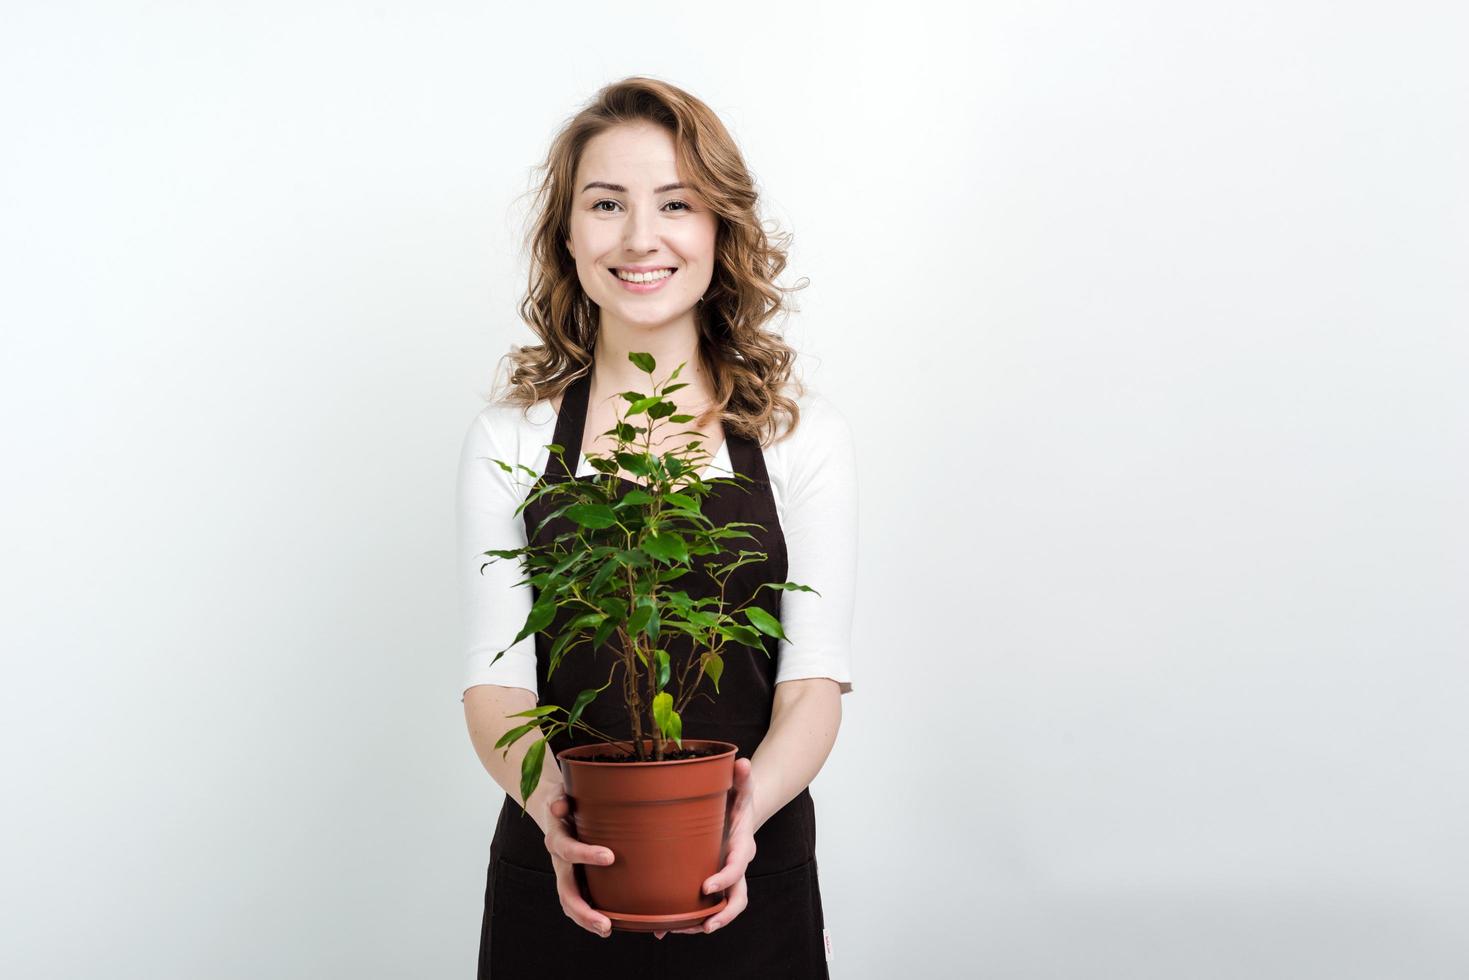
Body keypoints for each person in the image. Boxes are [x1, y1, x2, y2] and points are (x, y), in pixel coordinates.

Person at [457, 76, 857, 978]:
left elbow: (812, 685)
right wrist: (555, 810)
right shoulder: (510, 436)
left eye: (675, 203)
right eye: (606, 204)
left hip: (748, 874)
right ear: (567, 233)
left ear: (719, 227)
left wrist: (736, 827)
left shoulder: (800, 437)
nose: (641, 237)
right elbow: (495, 688)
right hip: (561, 870)